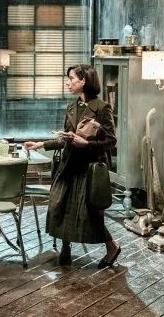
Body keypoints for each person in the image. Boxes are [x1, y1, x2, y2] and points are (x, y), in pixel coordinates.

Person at [24, 64, 121, 267]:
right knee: (59, 206)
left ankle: (112, 247)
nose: (68, 83)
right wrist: (41, 144)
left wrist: (87, 143)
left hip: (89, 169)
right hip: (69, 165)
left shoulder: (102, 107)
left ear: (84, 81)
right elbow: (65, 140)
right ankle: (65, 248)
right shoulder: (71, 107)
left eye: (71, 78)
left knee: (89, 214)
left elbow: (111, 141)